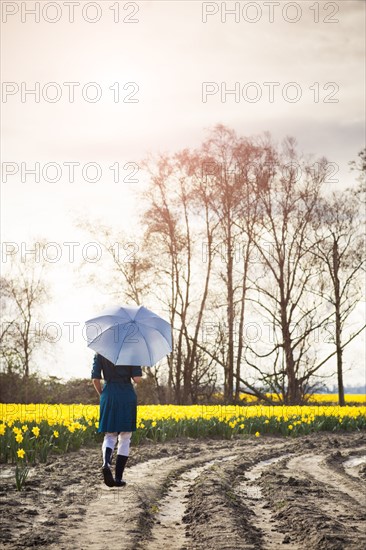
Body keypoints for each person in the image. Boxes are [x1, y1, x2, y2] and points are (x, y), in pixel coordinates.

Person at [91, 353, 142, 487]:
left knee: (110, 435)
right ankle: (118, 478)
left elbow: (95, 379)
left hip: (109, 394)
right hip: (126, 395)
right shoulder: (132, 351)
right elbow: (137, 379)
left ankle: (106, 463)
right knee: (125, 437)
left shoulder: (101, 351)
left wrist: (102, 394)